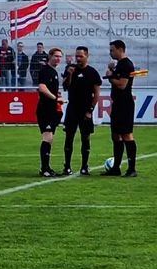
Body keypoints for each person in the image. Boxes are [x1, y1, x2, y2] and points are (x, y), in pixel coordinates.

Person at [61, 46, 101, 176]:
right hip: (72, 108)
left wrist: (90, 110)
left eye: (81, 56)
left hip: (85, 109)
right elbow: (65, 86)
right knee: (69, 137)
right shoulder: (70, 69)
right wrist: (70, 74)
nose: (78, 58)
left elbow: (96, 93)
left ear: (87, 56)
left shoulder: (92, 72)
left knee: (85, 137)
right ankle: (67, 166)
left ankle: (84, 166)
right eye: (76, 56)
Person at [103, 39, 139, 177]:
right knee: (115, 135)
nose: (110, 53)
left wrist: (110, 77)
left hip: (125, 104)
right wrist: (112, 71)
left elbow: (122, 84)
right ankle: (116, 168)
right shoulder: (119, 65)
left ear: (120, 49)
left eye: (112, 50)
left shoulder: (126, 65)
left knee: (126, 134)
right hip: (117, 103)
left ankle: (131, 169)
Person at [35, 46, 64, 177]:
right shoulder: (45, 71)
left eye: (60, 57)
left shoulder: (53, 72)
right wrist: (55, 98)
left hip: (52, 110)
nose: (58, 59)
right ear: (50, 56)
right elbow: (42, 87)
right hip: (45, 109)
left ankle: (46, 167)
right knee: (47, 137)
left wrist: (57, 97)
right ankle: (44, 169)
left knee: (50, 138)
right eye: (56, 56)